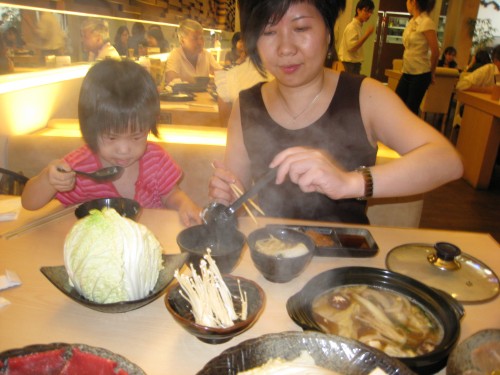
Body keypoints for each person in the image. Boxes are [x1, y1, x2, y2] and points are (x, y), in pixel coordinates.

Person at [208, 0, 462, 224]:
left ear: (328, 33)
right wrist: (229, 201)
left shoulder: (365, 96)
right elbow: (238, 204)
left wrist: (349, 183)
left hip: (347, 261)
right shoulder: (247, 105)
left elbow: (447, 161)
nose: (286, 48)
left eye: (301, 28)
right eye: (269, 31)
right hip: (269, 257)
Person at [21, 59, 202, 227]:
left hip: (151, 241)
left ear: (149, 127)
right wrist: (49, 179)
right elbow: (29, 203)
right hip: (101, 252)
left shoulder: (155, 158)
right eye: (111, 137)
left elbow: (171, 194)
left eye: (136, 136)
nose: (124, 150)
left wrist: (184, 204)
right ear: (91, 129)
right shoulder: (80, 168)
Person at [395, 0, 439, 115]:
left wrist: (432, 73)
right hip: (407, 71)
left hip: (420, 73)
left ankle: (408, 132)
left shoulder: (426, 22)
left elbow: (435, 51)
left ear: (413, 2)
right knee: (396, 103)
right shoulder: (412, 22)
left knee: (410, 109)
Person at [164, 19, 222, 85]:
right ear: (182, 40)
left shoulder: (206, 54)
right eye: (195, 38)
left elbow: (221, 73)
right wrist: (198, 81)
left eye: (201, 38)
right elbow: (171, 78)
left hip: (203, 95)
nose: (200, 42)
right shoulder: (175, 55)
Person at [338, 0, 375, 75]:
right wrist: (367, 35)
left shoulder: (358, 26)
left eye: (371, 12)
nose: (369, 15)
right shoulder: (352, 27)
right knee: (350, 86)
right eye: (366, 11)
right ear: (358, 10)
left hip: (353, 64)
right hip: (349, 65)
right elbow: (352, 48)